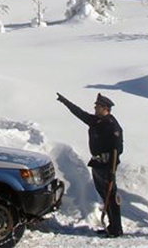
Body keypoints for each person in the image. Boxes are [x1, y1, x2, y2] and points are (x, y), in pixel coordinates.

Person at [57, 92, 123, 238]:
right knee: (104, 194)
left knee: (110, 196)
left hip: (107, 166)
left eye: (97, 106)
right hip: (97, 164)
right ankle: (112, 226)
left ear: (105, 108)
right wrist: (65, 101)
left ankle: (116, 228)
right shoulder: (96, 121)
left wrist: (112, 171)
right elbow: (80, 113)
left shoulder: (112, 125)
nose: (95, 108)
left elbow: (116, 150)